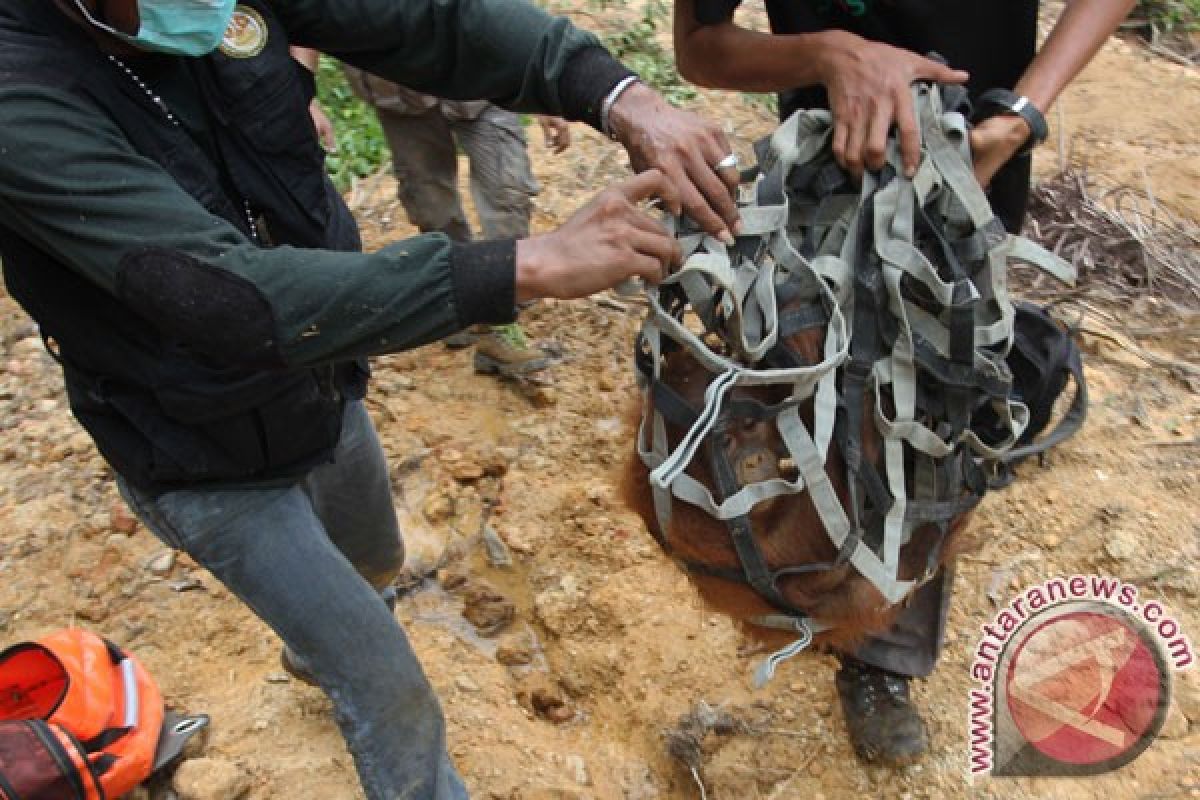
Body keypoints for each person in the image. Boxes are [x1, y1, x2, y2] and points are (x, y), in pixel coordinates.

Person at [0, 0, 745, 797]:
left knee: (375, 560)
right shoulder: (22, 99)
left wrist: (621, 94)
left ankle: (317, 643)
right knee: (389, 691)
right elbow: (224, 296)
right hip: (195, 449)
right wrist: (518, 266)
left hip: (321, 380)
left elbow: (431, 21)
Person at [671, 0, 1134, 767]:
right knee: (818, 402)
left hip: (971, 170)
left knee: (929, 423)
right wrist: (827, 55)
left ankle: (879, 658)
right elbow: (700, 48)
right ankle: (806, 579)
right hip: (820, 187)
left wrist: (1021, 114)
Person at [295, 47, 574, 379]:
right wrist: (302, 93)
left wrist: (539, 92)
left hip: (480, 83)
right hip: (399, 92)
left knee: (506, 192)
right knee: (431, 204)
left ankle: (498, 320)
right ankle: (457, 298)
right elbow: (313, 20)